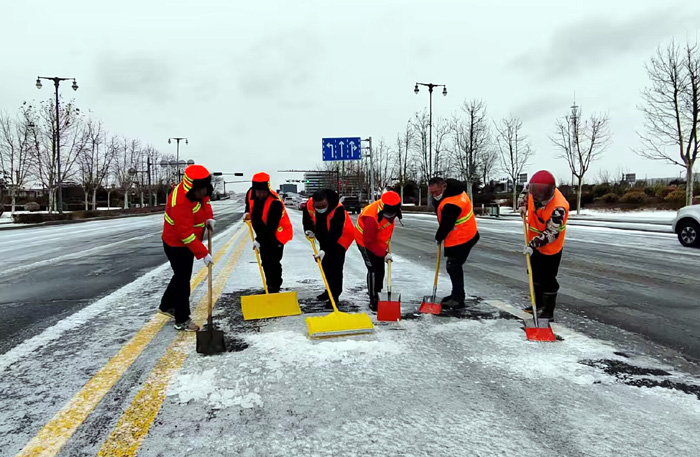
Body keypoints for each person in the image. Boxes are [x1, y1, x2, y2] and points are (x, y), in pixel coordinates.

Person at [159, 164, 215, 332]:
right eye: (200, 190)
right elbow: (185, 235)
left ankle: (166, 305)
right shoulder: (180, 201)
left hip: (187, 242)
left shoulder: (200, 191)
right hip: (176, 244)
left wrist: (209, 218)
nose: (203, 193)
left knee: (180, 276)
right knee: (183, 281)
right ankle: (182, 319)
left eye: (205, 189)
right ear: (192, 188)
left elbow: (205, 202)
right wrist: (203, 253)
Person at [518, 170, 569, 320]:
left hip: (550, 248)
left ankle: (548, 311)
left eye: (542, 194)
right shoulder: (533, 191)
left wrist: (533, 244)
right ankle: (537, 304)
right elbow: (525, 192)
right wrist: (522, 204)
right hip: (534, 244)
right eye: (536, 192)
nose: (539, 197)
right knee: (534, 274)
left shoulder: (559, 207)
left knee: (548, 279)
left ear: (551, 190)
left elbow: (552, 233)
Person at [427, 177, 480, 309]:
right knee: (453, 265)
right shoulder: (454, 191)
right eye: (431, 193)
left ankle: (458, 299)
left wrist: (439, 237)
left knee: (453, 266)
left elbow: (447, 225)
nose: (434, 195)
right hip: (467, 232)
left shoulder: (452, 204)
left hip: (463, 236)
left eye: (436, 192)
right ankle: (456, 294)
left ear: (443, 186)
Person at [302, 189, 355, 306]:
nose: (320, 208)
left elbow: (335, 233)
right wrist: (309, 229)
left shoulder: (338, 209)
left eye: (323, 206)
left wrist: (324, 250)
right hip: (324, 235)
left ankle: (335, 296)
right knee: (326, 265)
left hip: (341, 237)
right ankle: (329, 291)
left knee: (335, 267)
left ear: (328, 201)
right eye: (318, 206)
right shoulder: (309, 204)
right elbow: (307, 218)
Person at [244, 172, 293, 293]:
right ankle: (269, 285)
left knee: (273, 261)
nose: (260, 194)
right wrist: (247, 213)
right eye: (258, 192)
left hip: (278, 234)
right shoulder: (251, 193)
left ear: (267, 190)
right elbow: (248, 204)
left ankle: (274, 287)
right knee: (265, 261)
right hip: (263, 231)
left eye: (263, 192)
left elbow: (271, 227)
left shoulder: (275, 202)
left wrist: (259, 240)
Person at [354, 191, 402, 311]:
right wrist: (384, 254)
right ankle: (373, 298)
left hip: (379, 242)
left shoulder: (392, 208)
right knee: (373, 269)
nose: (391, 217)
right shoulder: (371, 216)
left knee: (380, 269)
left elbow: (385, 226)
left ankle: (378, 292)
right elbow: (369, 241)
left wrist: (383, 250)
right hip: (364, 242)